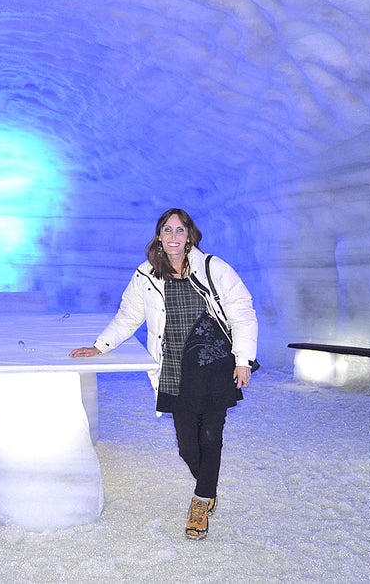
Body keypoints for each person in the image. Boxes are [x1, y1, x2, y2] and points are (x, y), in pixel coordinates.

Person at [69, 208, 258, 540]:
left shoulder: (213, 267)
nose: (173, 237)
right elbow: (128, 316)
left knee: (212, 436)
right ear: (159, 236)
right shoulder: (146, 275)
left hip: (215, 363)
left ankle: (200, 504)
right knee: (187, 446)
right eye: (167, 230)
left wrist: (243, 359)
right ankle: (208, 487)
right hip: (174, 367)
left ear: (190, 235)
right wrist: (100, 346)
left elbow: (241, 310)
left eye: (180, 230)